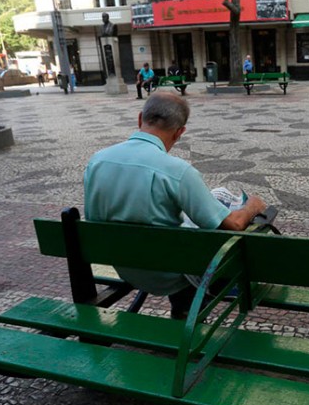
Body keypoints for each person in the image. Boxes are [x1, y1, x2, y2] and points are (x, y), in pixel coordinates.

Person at [83, 93, 267, 319]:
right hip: (166, 274)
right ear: (180, 132)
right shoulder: (177, 171)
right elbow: (234, 225)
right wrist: (252, 206)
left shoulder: (97, 161)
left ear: (140, 118)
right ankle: (187, 312)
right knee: (217, 237)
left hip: (124, 266)